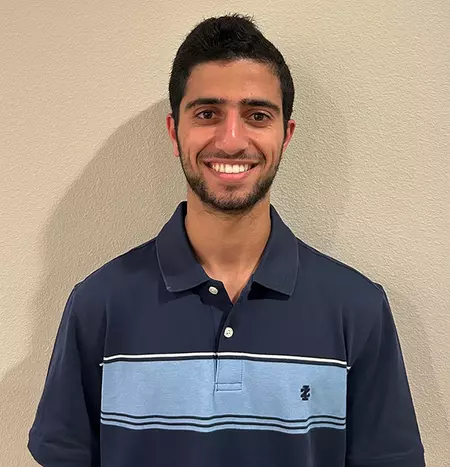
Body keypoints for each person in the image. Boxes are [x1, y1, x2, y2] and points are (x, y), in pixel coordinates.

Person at [28, 13, 425, 467]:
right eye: (207, 114)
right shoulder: (98, 304)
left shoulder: (357, 308)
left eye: (257, 115)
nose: (232, 141)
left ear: (285, 135)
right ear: (174, 132)